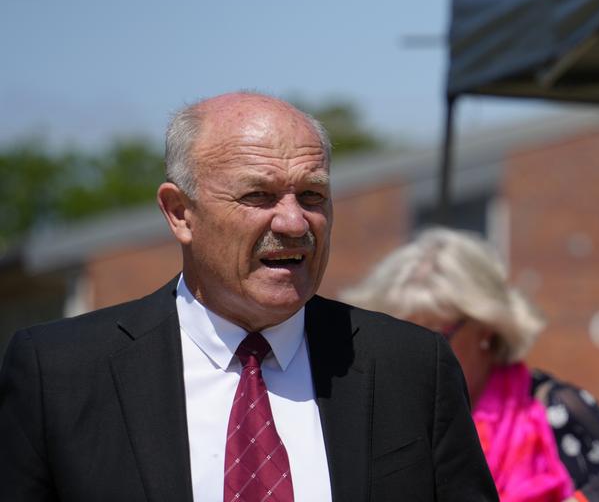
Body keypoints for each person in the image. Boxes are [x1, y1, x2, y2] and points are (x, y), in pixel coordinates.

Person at [0, 92, 498, 502]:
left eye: (312, 196)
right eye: (257, 196)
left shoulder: (410, 366)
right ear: (179, 213)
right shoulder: (60, 374)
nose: (293, 222)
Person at [343, 226, 599, 502]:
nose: (417, 353)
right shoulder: (381, 420)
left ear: (486, 328)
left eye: (437, 336)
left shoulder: (560, 411)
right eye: (402, 337)